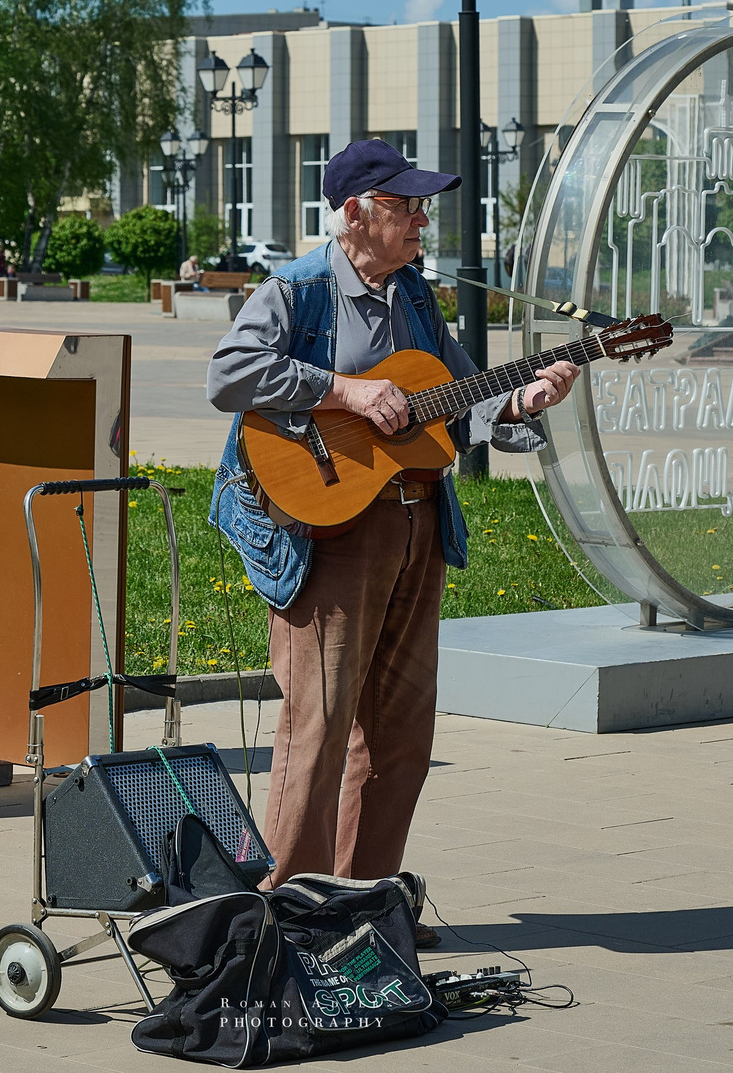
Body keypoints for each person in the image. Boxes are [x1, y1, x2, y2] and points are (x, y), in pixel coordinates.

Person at [207, 140, 580, 922]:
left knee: (402, 736)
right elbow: (231, 373)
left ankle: (361, 904)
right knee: (320, 729)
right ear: (354, 215)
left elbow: (454, 397)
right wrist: (343, 389)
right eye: (404, 207)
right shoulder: (298, 290)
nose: (421, 220)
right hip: (328, 531)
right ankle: (286, 920)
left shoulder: (414, 294)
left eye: (422, 208)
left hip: (417, 526)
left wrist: (521, 400)